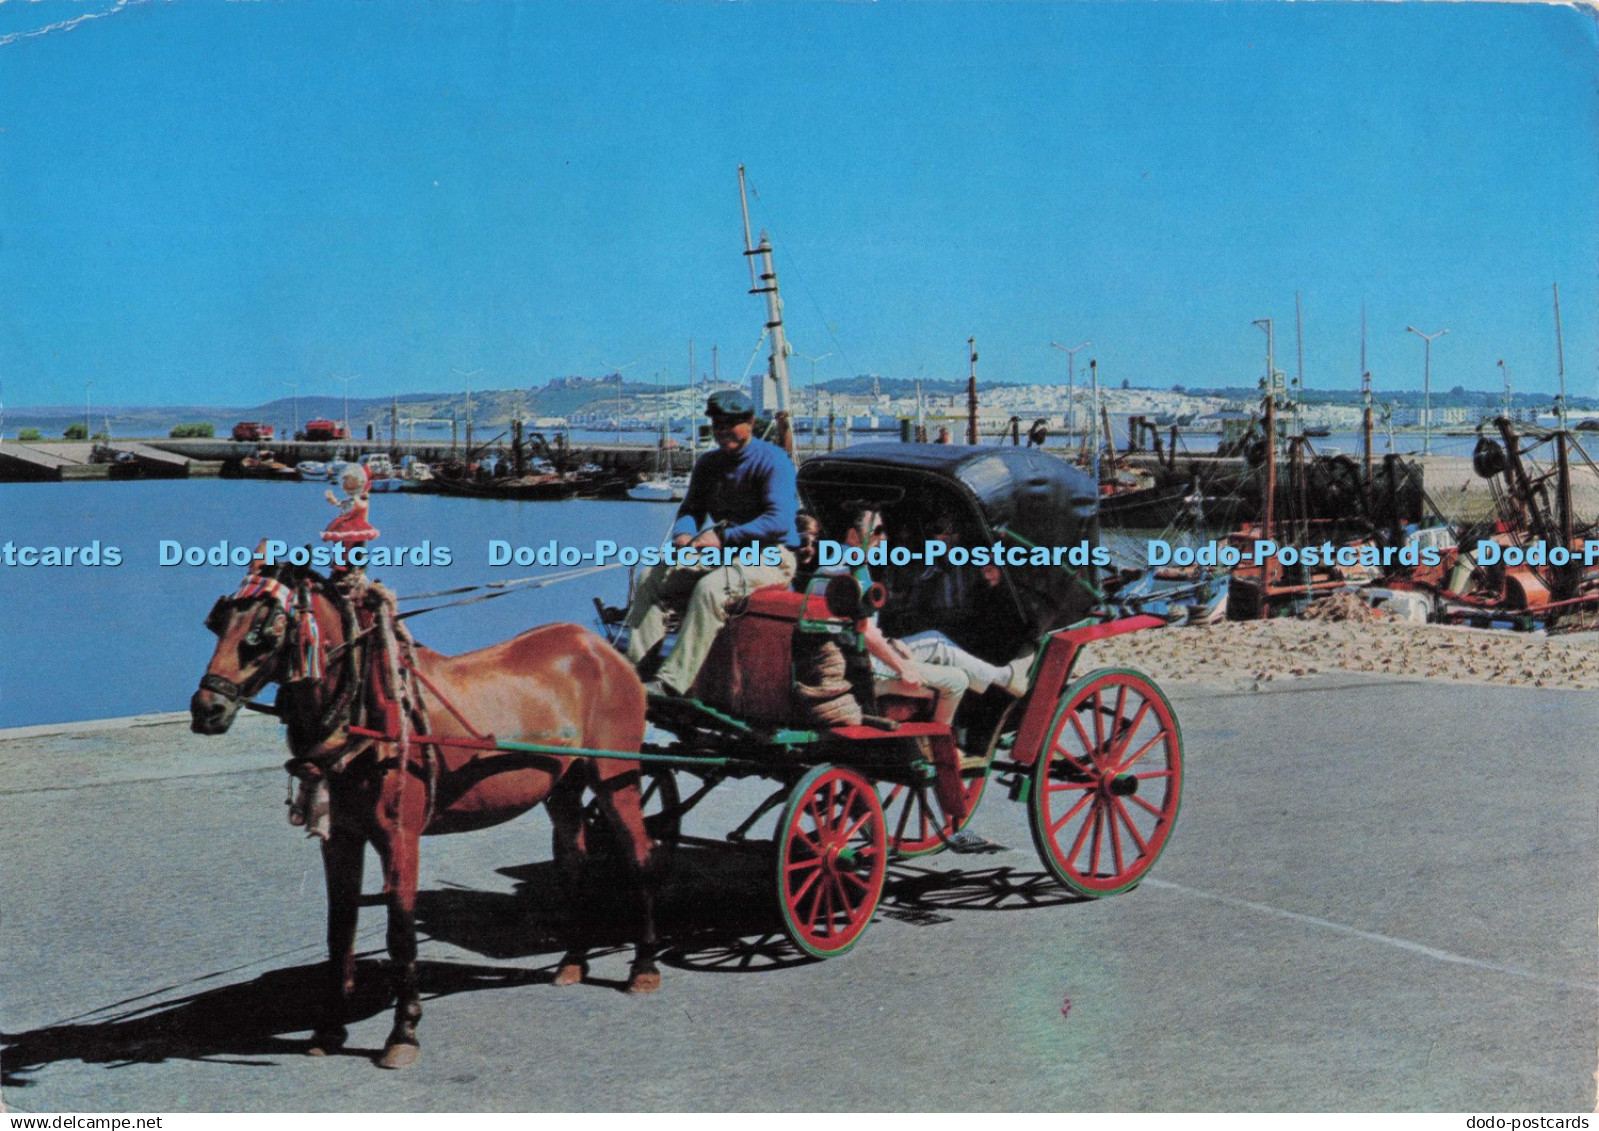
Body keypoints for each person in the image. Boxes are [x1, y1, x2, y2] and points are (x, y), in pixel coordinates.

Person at [623, 390, 799, 695]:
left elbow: (779, 521)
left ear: (751, 422)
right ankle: (634, 671)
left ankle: (671, 681)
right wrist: (683, 535)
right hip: (724, 554)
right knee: (650, 577)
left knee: (711, 588)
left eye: (731, 424)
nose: (722, 432)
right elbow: (690, 510)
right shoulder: (708, 464)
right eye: (717, 425)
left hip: (772, 557)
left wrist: (721, 536)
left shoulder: (774, 461)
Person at [832, 506, 1030, 727]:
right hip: (865, 667)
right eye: (877, 531)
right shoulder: (850, 574)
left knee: (936, 639)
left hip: (857, 658)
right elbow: (866, 634)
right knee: (956, 679)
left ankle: (1002, 678)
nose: (884, 537)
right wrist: (901, 666)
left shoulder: (837, 564)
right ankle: (937, 745)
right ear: (852, 536)